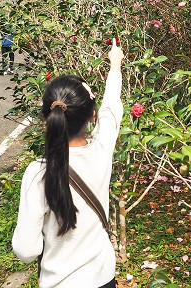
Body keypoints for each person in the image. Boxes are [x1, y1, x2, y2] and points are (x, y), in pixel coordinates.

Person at [12, 39, 124, 288]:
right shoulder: (102, 150)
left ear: (46, 117)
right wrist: (115, 65)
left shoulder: (39, 172)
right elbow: (112, 107)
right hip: (103, 279)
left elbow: (26, 250)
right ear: (92, 116)